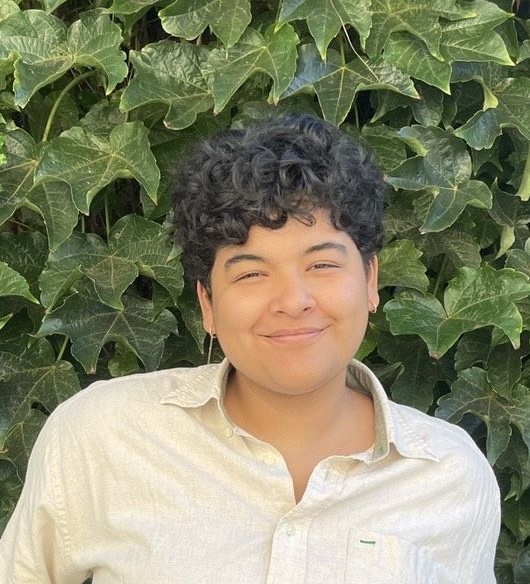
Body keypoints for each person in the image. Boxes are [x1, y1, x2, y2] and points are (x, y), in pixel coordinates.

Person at [0, 114, 500, 583]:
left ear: (370, 281)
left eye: (322, 265)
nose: (293, 302)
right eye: (252, 273)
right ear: (208, 304)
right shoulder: (100, 436)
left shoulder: (450, 476)